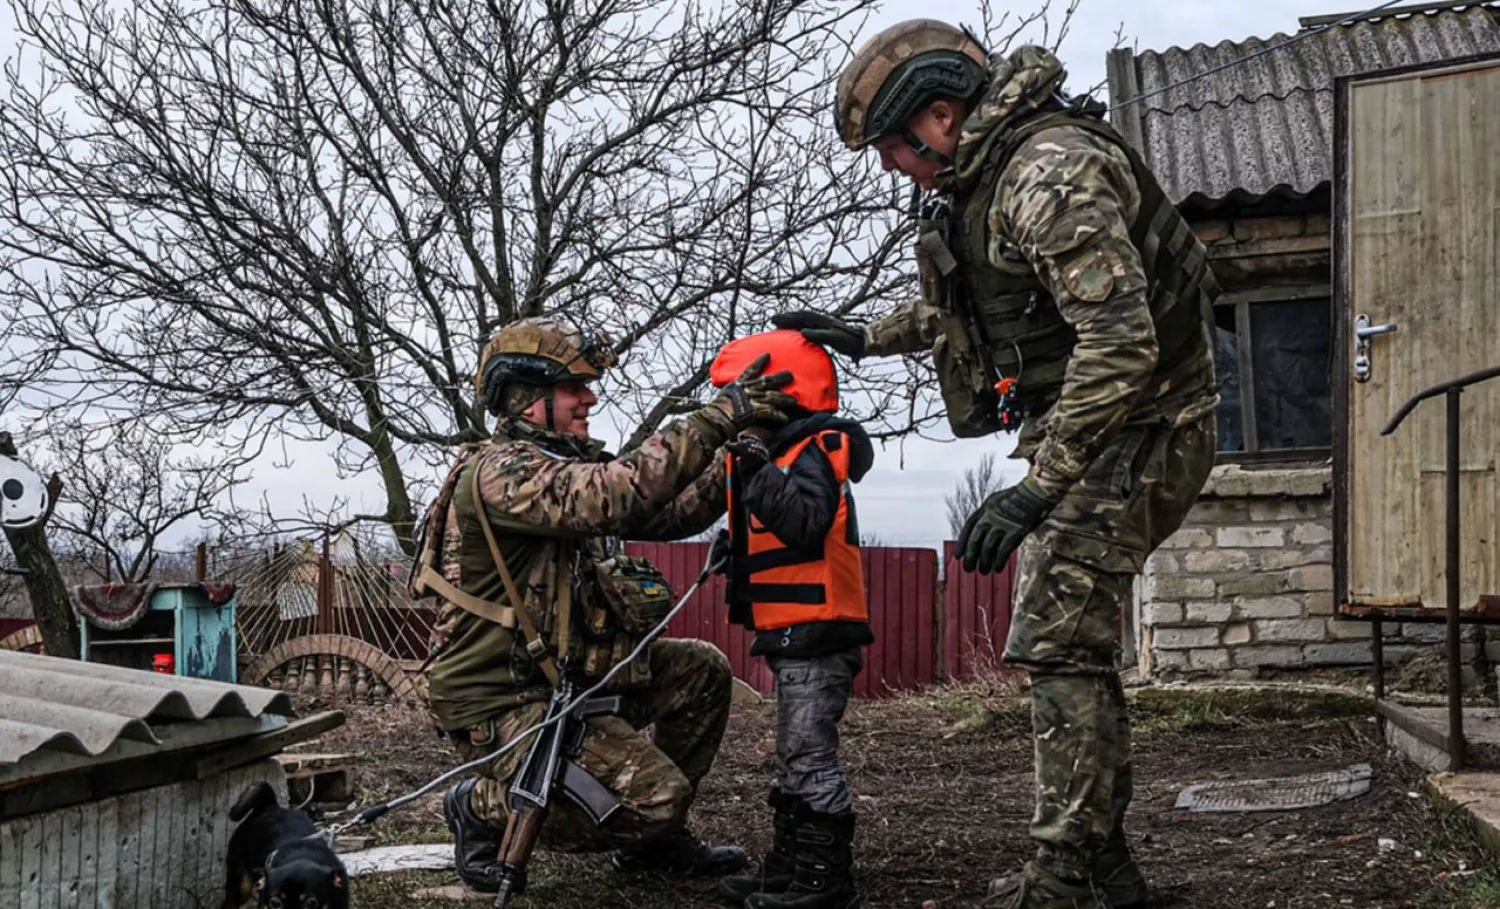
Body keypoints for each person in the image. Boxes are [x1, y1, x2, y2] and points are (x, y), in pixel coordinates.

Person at [774, 20, 1221, 909]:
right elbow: (973, 309)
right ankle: (1106, 874)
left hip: (1148, 420)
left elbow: (1122, 343)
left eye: (893, 147)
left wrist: (1037, 488)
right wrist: (862, 336)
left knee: (1054, 636)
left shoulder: (1047, 174)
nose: (893, 166)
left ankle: (1059, 880)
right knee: (1071, 643)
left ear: (940, 117)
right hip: (1105, 423)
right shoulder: (988, 181)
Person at [409, 316, 802, 894]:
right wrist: (720, 415)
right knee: (654, 799)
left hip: (568, 678)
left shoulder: (559, 467)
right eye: (574, 387)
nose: (589, 399)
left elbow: (668, 513)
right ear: (527, 396)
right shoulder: (502, 472)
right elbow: (618, 493)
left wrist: (743, 451)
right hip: (501, 699)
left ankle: (652, 846)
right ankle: (480, 805)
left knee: (699, 670)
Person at [705, 330, 874, 909]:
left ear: (781, 392)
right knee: (791, 760)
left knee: (809, 759)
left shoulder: (814, 449)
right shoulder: (785, 456)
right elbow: (781, 526)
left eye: (746, 396)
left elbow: (805, 522)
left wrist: (756, 473)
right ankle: (789, 867)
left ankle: (825, 885)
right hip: (794, 631)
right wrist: (736, 549)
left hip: (819, 631)